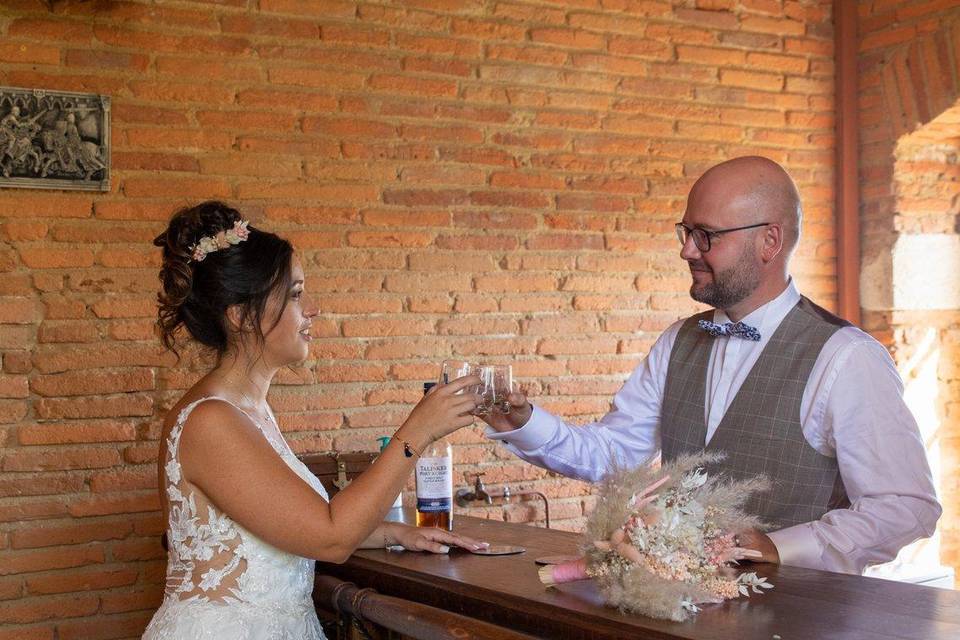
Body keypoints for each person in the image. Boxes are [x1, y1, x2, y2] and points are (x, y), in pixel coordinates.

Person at [483, 156, 941, 575]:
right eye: (686, 232)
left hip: (804, 617)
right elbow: (617, 454)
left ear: (769, 241)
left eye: (707, 236)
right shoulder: (676, 342)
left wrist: (782, 547)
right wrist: (522, 424)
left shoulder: (846, 356)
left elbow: (904, 507)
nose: (687, 251)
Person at [143, 201, 484, 639]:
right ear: (241, 315)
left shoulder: (250, 410)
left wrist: (394, 534)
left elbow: (286, 522)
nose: (313, 311)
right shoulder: (211, 421)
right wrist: (419, 430)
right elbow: (330, 537)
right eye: (296, 295)